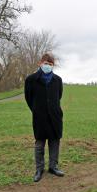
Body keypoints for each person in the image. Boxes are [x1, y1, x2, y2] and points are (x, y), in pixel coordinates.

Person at [25, 53, 65, 182]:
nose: (48, 66)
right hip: (39, 117)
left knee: (55, 142)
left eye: (50, 64)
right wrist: (37, 110)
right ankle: (39, 169)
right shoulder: (31, 80)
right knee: (39, 143)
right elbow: (28, 98)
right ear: (40, 63)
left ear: (53, 66)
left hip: (55, 116)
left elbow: (58, 96)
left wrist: (52, 109)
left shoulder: (57, 80)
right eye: (46, 63)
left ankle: (53, 167)